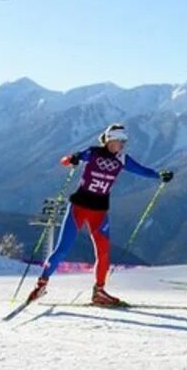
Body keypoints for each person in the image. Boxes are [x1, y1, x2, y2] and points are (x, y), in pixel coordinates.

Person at [27, 124, 174, 306]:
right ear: (110, 140)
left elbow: (143, 170)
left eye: (124, 141)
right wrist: (71, 160)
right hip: (79, 207)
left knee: (103, 253)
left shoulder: (122, 159)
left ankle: (99, 292)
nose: (123, 144)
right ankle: (41, 285)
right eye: (120, 141)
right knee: (63, 249)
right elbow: (67, 160)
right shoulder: (93, 152)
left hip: (100, 212)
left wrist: (159, 175)